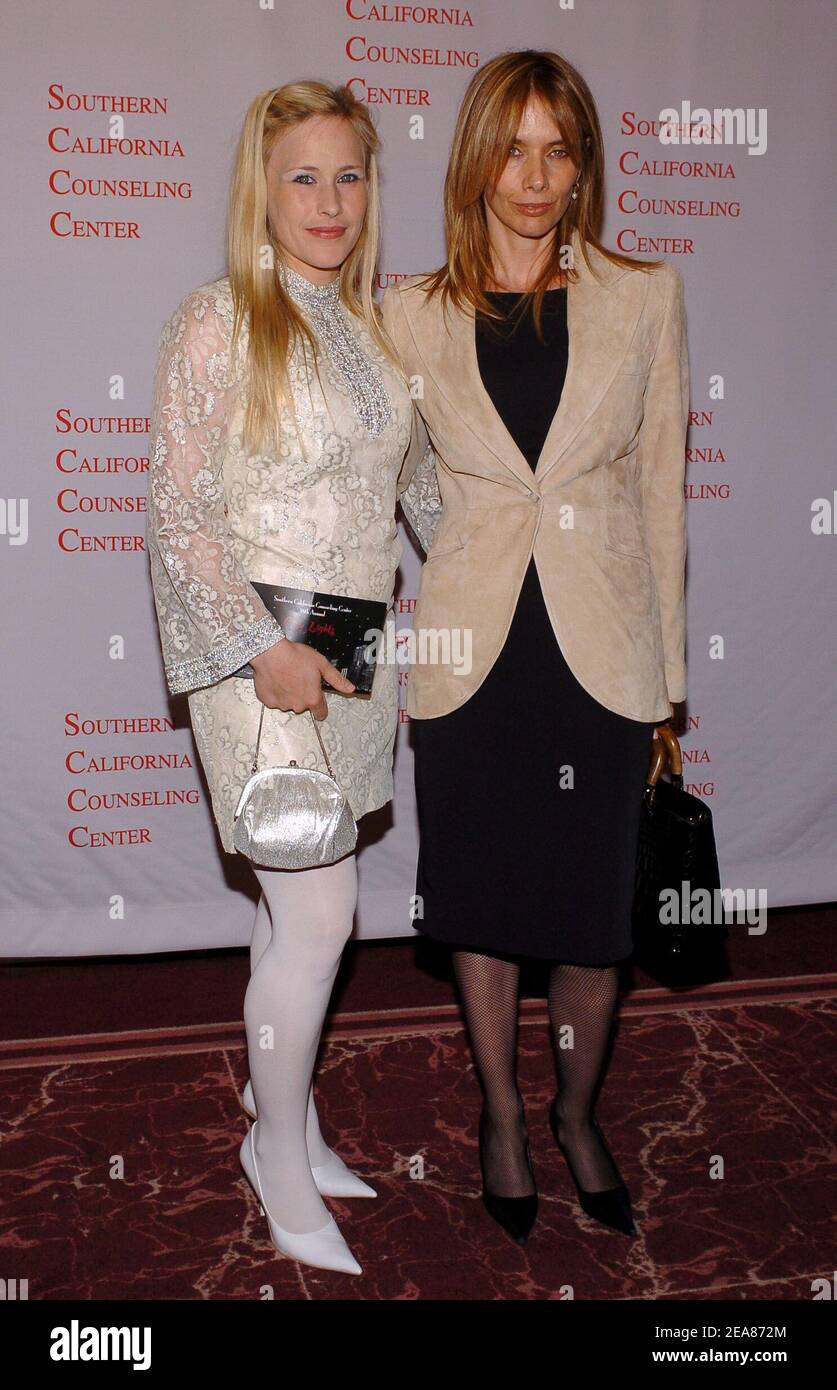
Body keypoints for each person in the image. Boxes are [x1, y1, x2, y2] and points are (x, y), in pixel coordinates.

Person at [382, 49, 689, 1244]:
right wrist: (478, 541)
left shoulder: (645, 293)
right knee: (483, 900)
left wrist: (666, 684)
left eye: (558, 148)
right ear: (473, 158)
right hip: (474, 651)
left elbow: (662, 493)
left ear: (585, 167)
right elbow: (407, 481)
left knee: (589, 912)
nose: (534, 173)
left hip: (602, 645)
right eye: (511, 146)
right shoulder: (408, 312)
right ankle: (503, 1114)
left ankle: (576, 1111)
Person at [145, 81, 430, 1276]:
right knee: (322, 911)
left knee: (285, 909)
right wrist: (262, 649)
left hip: (353, 663)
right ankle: (273, 1153)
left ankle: (291, 1120)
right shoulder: (219, 321)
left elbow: (414, 492)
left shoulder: (375, 328)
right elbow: (176, 510)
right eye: (303, 176)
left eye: (349, 175)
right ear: (262, 188)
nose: (329, 201)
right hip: (257, 661)